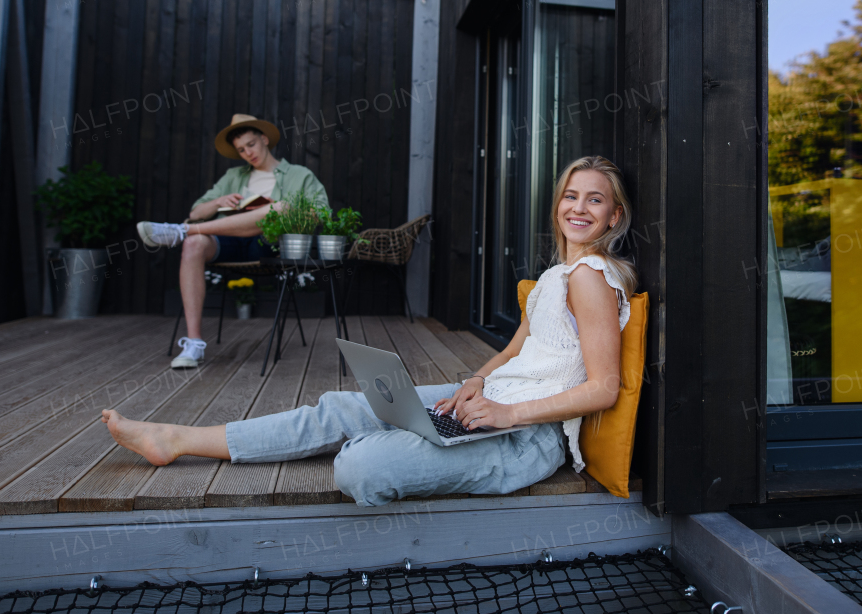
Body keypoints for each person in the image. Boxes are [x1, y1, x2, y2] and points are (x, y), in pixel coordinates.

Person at [105, 155, 636, 506]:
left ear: (615, 216)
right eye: (571, 195)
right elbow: (520, 346)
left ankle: (401, 438)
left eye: (595, 199)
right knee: (340, 407)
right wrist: (476, 380)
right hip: (492, 404)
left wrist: (506, 412)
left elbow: (602, 388)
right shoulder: (555, 276)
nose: (579, 208)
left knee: (361, 467)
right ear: (558, 204)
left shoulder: (591, 278)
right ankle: (175, 438)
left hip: (528, 436)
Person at [135, 113, 327, 369]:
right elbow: (196, 212)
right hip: (230, 242)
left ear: (264, 139)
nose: (247, 153)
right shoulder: (233, 177)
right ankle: (194, 343)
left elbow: (320, 212)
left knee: (279, 207)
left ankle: (181, 231)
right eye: (241, 149)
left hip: (269, 242)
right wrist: (218, 202)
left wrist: (277, 211)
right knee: (194, 245)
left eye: (251, 144)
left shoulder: (298, 175)